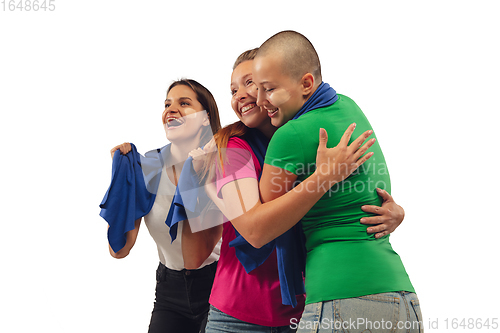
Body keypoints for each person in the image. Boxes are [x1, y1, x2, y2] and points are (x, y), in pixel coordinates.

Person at [188, 48, 407, 332]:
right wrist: (323, 177)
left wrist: (394, 211)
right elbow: (254, 230)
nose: (239, 95)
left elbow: (348, 197)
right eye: (233, 90)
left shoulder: (304, 135)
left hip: (301, 309)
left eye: (250, 83)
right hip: (239, 314)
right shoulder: (233, 149)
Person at [248, 31, 422, 332]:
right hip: (402, 299)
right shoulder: (348, 106)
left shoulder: (290, 136)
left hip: (341, 298)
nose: (260, 100)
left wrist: (322, 178)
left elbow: (264, 223)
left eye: (269, 89)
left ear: (306, 84)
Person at [100, 79, 223, 333]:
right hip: (170, 290)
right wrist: (121, 177)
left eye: (184, 103)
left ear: (205, 118)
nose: (171, 109)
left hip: (219, 284)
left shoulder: (223, 164)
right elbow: (119, 250)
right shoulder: (149, 169)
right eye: (167, 104)